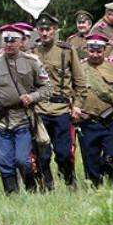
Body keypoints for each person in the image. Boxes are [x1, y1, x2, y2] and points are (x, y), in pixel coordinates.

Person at [0, 24, 52, 194]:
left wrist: (32, 97)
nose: (9, 44)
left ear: (21, 42)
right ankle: (11, 195)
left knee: (23, 160)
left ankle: (31, 187)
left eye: (13, 40)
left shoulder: (32, 62)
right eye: (6, 40)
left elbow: (47, 88)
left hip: (24, 118)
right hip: (0, 119)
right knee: (4, 162)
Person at [34, 12, 87, 189]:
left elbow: (80, 82)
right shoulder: (32, 52)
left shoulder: (66, 50)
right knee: (42, 153)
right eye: (41, 29)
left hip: (62, 109)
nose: (44, 33)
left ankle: (69, 180)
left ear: (55, 30)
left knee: (64, 153)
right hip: (40, 109)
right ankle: (47, 184)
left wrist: (78, 106)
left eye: (48, 29)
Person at [77, 32, 113, 186]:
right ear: (87, 50)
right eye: (92, 51)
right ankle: (95, 187)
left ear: (104, 50)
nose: (95, 55)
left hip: (110, 121)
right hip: (87, 121)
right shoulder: (79, 68)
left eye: (99, 51)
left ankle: (111, 181)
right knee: (90, 159)